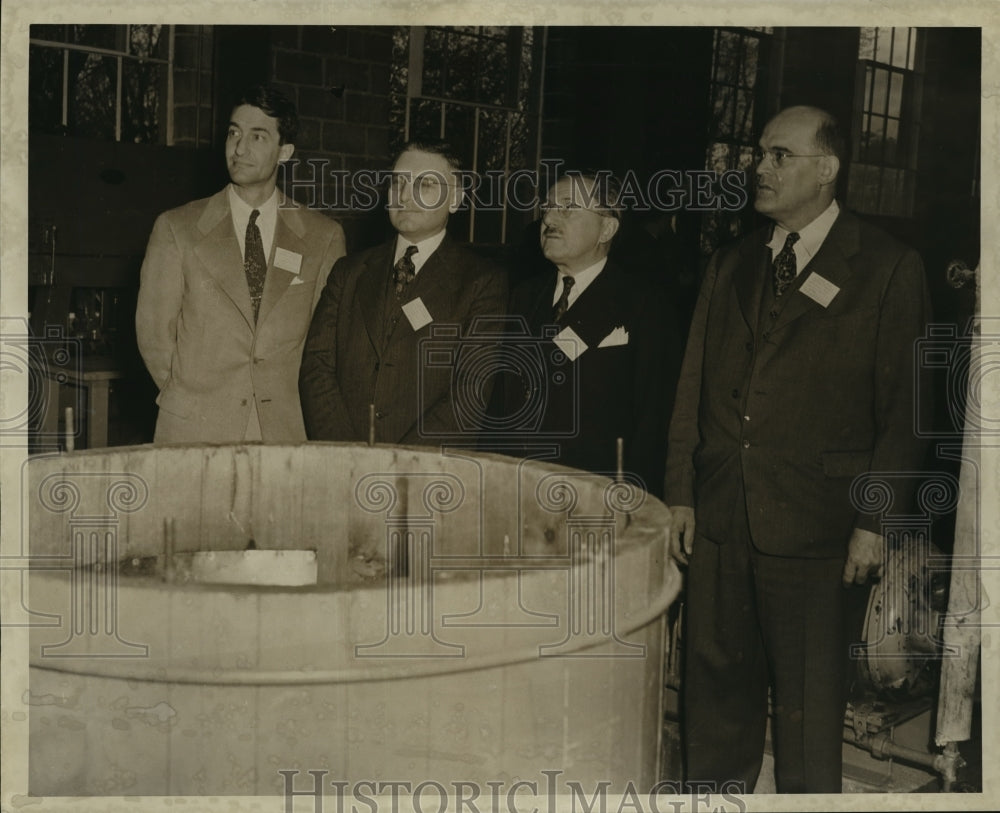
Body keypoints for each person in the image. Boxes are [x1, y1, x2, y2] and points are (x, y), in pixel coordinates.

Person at [664, 106, 931, 792]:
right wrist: (682, 493)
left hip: (819, 528)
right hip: (723, 518)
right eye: (760, 153)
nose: (761, 166)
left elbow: (903, 412)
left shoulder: (886, 267)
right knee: (715, 702)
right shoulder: (731, 262)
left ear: (827, 168)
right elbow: (692, 385)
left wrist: (875, 521)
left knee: (808, 718)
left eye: (780, 155)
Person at [136, 85, 346, 443]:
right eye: (234, 133)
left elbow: (326, 347)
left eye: (257, 136)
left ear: (285, 151)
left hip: (285, 430)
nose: (240, 148)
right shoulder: (177, 228)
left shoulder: (322, 237)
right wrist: (193, 399)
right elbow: (154, 335)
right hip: (196, 426)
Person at [299, 139, 507, 445]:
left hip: (424, 471)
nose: (405, 196)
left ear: (455, 199)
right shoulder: (349, 271)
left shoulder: (482, 282)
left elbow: (470, 391)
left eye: (424, 185)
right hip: (342, 459)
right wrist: (345, 453)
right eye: (398, 183)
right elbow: (316, 367)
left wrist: (402, 464)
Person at [494, 172, 681, 498]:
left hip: (596, 496)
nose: (549, 218)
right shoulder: (522, 296)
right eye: (547, 207)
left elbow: (654, 418)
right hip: (518, 490)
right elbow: (499, 403)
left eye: (567, 208)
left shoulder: (644, 304)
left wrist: (634, 500)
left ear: (607, 228)